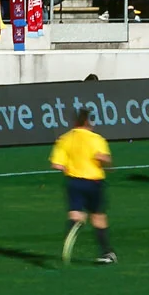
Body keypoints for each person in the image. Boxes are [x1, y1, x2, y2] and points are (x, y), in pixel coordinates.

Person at [48, 108, 114, 263]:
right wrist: (107, 164)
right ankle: (106, 253)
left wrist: (68, 166)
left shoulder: (64, 139)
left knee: (75, 214)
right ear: (88, 122)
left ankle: (74, 225)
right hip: (94, 182)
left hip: (74, 182)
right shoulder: (96, 139)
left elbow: (56, 164)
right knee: (98, 217)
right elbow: (105, 159)